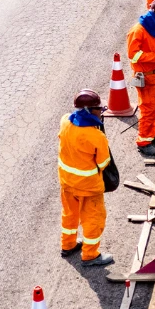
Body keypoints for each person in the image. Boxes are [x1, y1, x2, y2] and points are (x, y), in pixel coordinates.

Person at [57, 90, 115, 267]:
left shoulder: (65, 120)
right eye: (99, 108)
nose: (101, 111)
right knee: (93, 220)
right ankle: (90, 255)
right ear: (90, 111)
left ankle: (68, 245)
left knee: (70, 215)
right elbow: (104, 163)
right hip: (88, 187)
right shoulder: (96, 136)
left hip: (67, 182)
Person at [127, 0, 155, 155]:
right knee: (148, 110)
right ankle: (143, 142)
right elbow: (133, 55)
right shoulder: (138, 31)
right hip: (145, 79)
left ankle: (151, 135)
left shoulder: (154, 28)